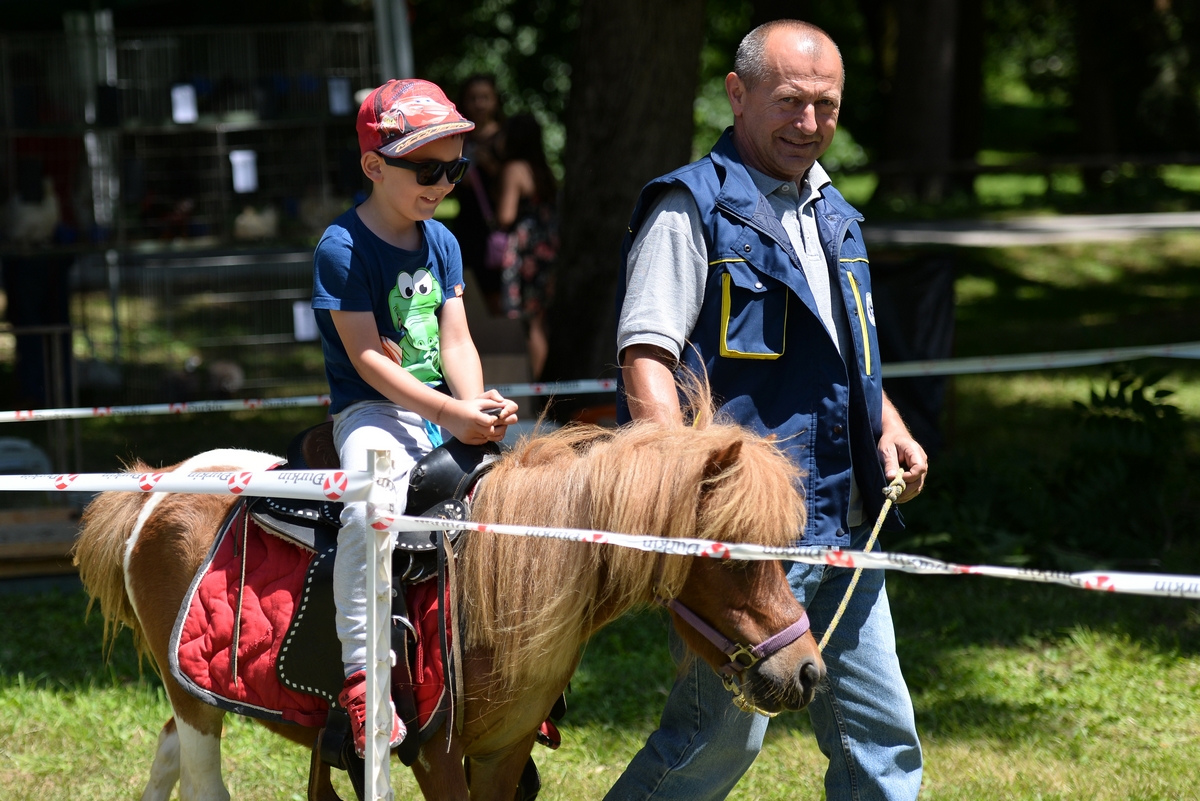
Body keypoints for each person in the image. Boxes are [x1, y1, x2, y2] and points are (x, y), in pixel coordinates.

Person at [608, 20, 928, 801]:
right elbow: (644, 359)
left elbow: (845, 358)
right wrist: (682, 499)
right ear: (738, 93)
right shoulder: (692, 210)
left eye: (827, 106)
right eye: (790, 102)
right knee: (713, 745)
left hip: (846, 523)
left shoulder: (836, 216)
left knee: (883, 745)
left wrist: (885, 419)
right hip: (747, 547)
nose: (810, 124)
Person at [311, 78, 519, 757]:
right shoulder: (342, 246)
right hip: (373, 412)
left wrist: (478, 404)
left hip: (441, 411)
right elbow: (369, 357)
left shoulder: (444, 242)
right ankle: (363, 677)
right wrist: (450, 412)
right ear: (374, 165)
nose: (444, 183)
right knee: (367, 506)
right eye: (428, 169)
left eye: (455, 167)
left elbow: (456, 340)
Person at [494, 113, 558, 381]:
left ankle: (531, 384)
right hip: (546, 249)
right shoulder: (542, 169)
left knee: (525, 323)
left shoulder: (514, 169)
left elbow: (506, 216)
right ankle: (539, 383)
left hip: (524, 252)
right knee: (539, 320)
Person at [452, 74, 505, 314]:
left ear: (495, 101)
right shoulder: (458, 138)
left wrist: (490, 167)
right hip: (467, 225)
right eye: (473, 98)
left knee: (497, 291)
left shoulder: (505, 138)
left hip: (496, 228)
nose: (479, 104)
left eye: (485, 97)